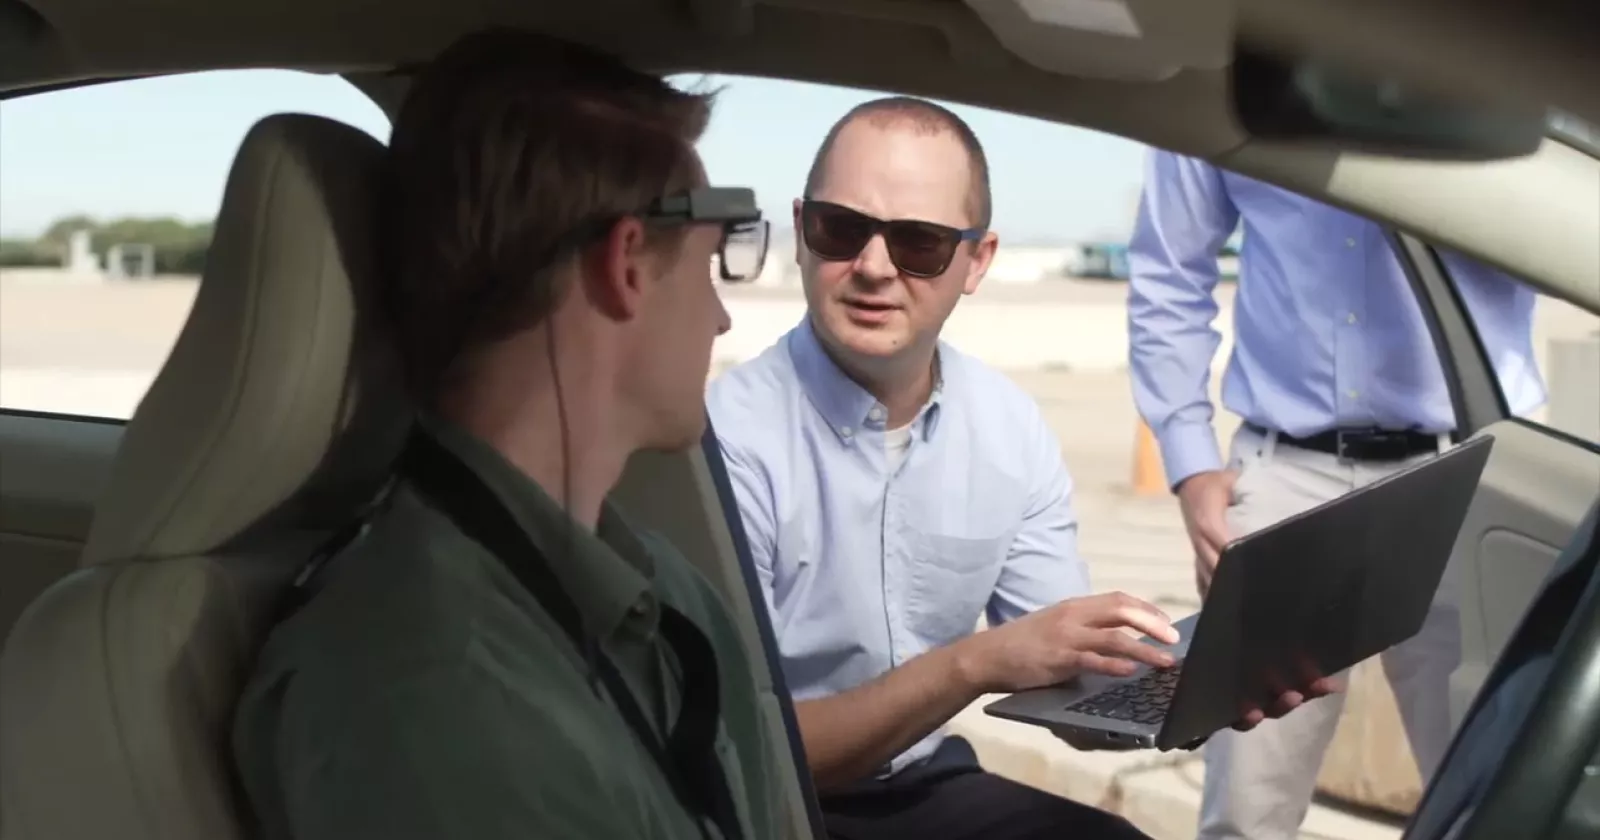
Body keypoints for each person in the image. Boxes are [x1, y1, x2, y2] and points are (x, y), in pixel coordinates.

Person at [706, 97, 1326, 840]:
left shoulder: (1007, 427)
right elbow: (746, 749)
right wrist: (975, 663)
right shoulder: (725, 437)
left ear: (978, 261)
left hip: (921, 782)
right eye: (841, 230)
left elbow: (1070, 683)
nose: (873, 267)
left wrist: (1196, 693)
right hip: (759, 803)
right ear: (803, 231)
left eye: (920, 242)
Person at [232, 29, 785, 840]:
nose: (721, 315)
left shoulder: (652, 586)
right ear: (627, 264)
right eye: (709, 266)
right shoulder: (431, 703)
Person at [1126, 150, 1544, 840]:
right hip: (1287, 475)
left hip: (1477, 467)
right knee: (1244, 809)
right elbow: (1169, 271)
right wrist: (1191, 461)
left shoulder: (1495, 61)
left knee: (1493, 795)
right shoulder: (1224, 76)